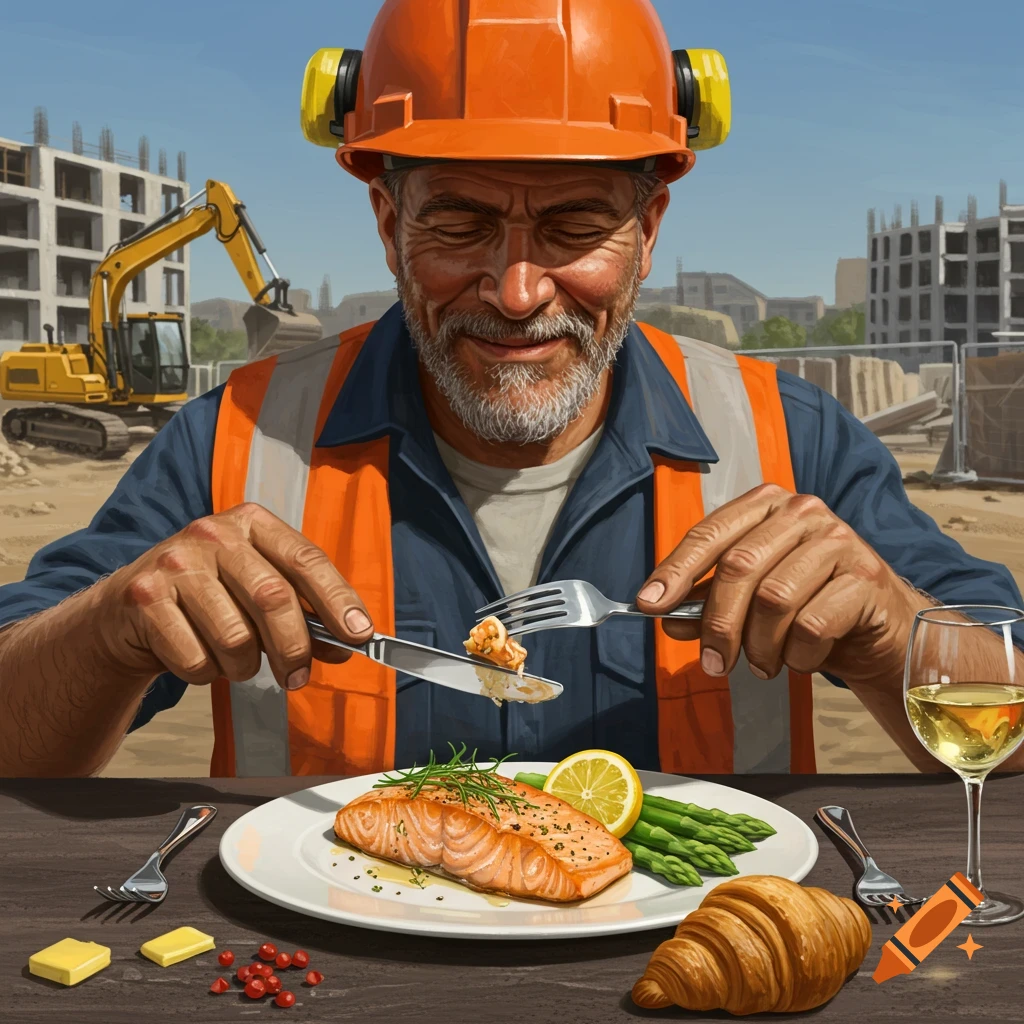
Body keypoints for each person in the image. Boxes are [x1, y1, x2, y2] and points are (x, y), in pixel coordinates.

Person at [1, 0, 1021, 779]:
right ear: (386, 220)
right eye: (457, 224)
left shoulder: (791, 442)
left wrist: (893, 630)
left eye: (576, 225)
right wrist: (109, 629)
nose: (518, 289)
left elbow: (1009, 729)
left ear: (648, 229)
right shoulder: (233, 442)